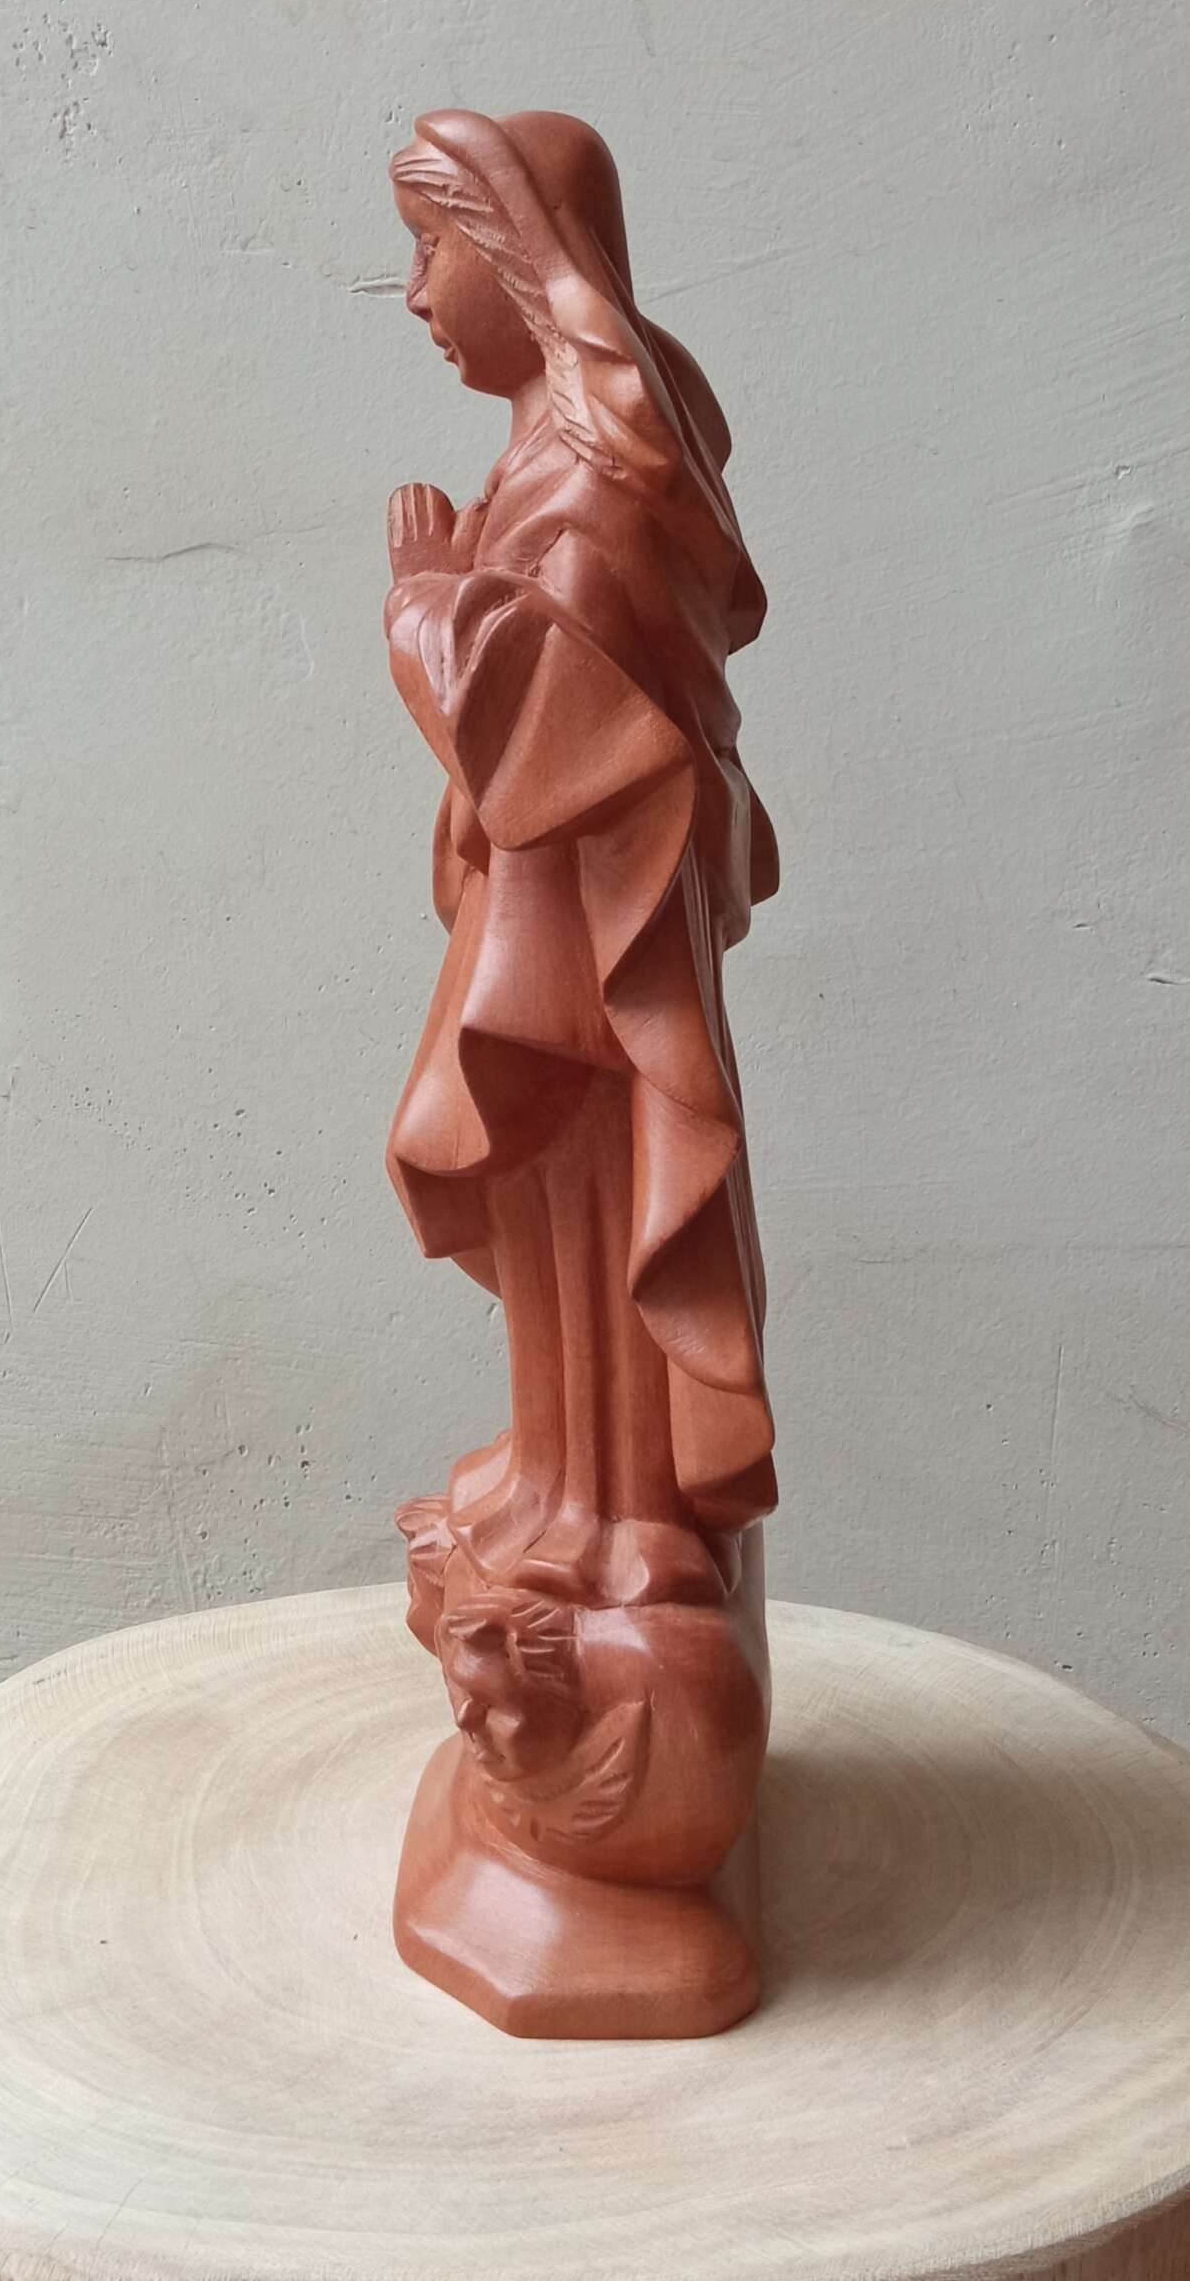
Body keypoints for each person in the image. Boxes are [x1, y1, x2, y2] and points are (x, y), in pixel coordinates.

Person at [381, 108, 778, 1609]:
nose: (414, 295)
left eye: (430, 250)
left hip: (600, 929)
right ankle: (560, 1465)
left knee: (590, 1188)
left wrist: (424, 604)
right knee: (543, 1188)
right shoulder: (563, 444)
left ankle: (608, 1510)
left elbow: (548, 715)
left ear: (509, 249)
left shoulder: (598, 466)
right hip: (550, 909)